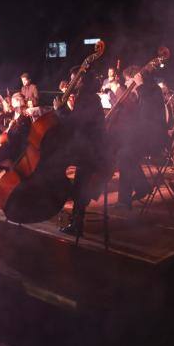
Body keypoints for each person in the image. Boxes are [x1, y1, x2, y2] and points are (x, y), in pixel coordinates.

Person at [110, 65, 168, 208]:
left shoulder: (153, 90)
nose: (126, 84)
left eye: (128, 80)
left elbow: (147, 115)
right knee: (123, 153)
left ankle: (133, 193)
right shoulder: (142, 92)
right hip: (143, 137)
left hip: (154, 140)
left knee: (125, 155)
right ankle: (134, 193)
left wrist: (140, 87)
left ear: (137, 78)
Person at [58, 70, 107, 235]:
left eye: (75, 80)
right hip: (91, 151)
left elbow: (75, 124)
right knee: (79, 185)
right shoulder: (90, 97)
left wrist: (60, 110)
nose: (72, 83)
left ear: (82, 81)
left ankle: (77, 224)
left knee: (79, 186)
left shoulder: (86, 98)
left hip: (90, 153)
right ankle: (76, 220)